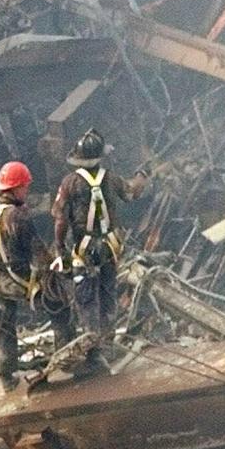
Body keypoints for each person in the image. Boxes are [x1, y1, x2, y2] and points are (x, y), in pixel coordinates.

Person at [52, 129, 149, 369]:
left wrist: (60, 248)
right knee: (107, 296)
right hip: (109, 248)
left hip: (84, 251)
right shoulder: (111, 179)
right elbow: (132, 192)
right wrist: (142, 175)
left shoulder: (70, 183)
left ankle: (94, 353)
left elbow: (60, 219)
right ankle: (107, 345)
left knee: (86, 301)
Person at [0, 161, 72, 391]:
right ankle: (66, 361)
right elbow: (39, 254)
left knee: (4, 327)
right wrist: (57, 270)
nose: (27, 192)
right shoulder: (18, 217)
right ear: (17, 187)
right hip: (18, 280)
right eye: (25, 188)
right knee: (59, 308)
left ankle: (7, 377)